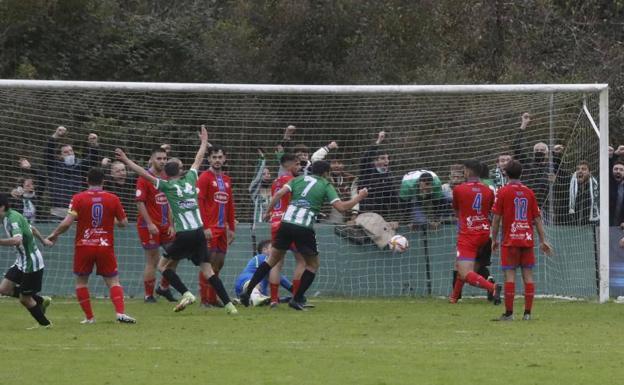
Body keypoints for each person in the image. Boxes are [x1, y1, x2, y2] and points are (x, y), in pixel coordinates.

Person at [115, 126, 238, 315]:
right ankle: (230, 305)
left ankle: (186, 293)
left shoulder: (166, 185)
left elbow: (143, 173)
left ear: (167, 173)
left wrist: (125, 160)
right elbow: (198, 159)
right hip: (198, 232)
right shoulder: (190, 178)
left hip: (184, 234)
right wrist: (204, 141)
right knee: (208, 270)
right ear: (180, 171)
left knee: (161, 265)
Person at [240, 160, 368, 310]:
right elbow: (341, 208)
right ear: (326, 173)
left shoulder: (297, 179)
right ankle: (297, 298)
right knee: (312, 265)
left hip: (285, 224)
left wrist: (269, 211)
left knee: (271, 261)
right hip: (303, 227)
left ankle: (247, 292)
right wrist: (359, 197)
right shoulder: (325, 185)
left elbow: (279, 193)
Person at [45, 168, 136, 324]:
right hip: (104, 245)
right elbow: (124, 223)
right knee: (113, 281)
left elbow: (67, 223)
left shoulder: (78, 198)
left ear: (87, 180)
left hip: (84, 245)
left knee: (81, 282)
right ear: (104, 181)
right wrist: (108, 221)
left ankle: (89, 318)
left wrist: (54, 234)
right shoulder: (113, 198)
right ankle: (120, 313)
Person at [491, 160, 554, 321]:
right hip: (526, 239)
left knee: (510, 276)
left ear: (506, 173)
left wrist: (494, 239)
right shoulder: (529, 192)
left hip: (510, 240)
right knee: (528, 276)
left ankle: (509, 314)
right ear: (522, 173)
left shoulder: (503, 192)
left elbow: (496, 219)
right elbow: (538, 219)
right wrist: (543, 239)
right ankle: (527, 314)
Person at [449, 160, 500, 305]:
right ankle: (454, 297)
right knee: (460, 266)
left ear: (469, 171)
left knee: (465, 273)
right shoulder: (488, 190)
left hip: (468, 234)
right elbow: (490, 211)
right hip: (484, 233)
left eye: (464, 170)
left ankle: (493, 288)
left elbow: (457, 211)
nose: (463, 172)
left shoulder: (459, 189)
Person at [0, 194, 52, 329]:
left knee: (25, 299)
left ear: (2, 207)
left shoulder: (12, 219)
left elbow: (17, 240)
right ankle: (40, 300)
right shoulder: (10, 215)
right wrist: (44, 241)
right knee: (4, 289)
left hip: (31, 263)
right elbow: (32, 228)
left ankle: (45, 325)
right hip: (21, 260)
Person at [197, 145, 237, 307]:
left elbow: (230, 205)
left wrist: (232, 228)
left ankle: (213, 298)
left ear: (225, 159)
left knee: (219, 263)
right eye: (214, 157)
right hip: (210, 228)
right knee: (208, 262)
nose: (217, 160)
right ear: (209, 159)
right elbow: (199, 202)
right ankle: (204, 299)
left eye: (220, 157)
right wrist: (204, 226)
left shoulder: (227, 179)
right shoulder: (204, 177)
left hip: (223, 228)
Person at [135, 147, 176, 303]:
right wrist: (150, 223)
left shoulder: (167, 177)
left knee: (175, 255)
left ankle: (164, 288)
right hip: (149, 226)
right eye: (159, 158)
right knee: (153, 259)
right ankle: (148, 295)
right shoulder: (145, 177)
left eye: (165, 158)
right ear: (152, 159)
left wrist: (172, 224)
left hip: (166, 226)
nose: (162, 161)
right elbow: (140, 202)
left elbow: (171, 202)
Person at [266, 153, 306, 307]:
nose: (299, 167)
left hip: (276, 222)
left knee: (276, 262)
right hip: (291, 223)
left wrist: (268, 213)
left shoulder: (275, 182)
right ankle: (296, 298)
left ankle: (274, 299)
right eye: (296, 164)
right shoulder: (293, 181)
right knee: (302, 260)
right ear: (288, 165)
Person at [44, 127, 104, 218]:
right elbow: (48, 152)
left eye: (71, 151)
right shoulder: (53, 166)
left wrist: (94, 144)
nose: (70, 153)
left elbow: (93, 158)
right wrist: (56, 135)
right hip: (57, 214)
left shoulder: (79, 165)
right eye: (66, 152)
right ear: (60, 156)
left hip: (77, 211)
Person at [234, 240, 293, 306]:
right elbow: (281, 279)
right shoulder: (262, 257)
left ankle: (243, 300)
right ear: (265, 250)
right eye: (273, 248)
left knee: (263, 296)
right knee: (257, 286)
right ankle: (255, 296)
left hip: (241, 289)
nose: (276, 250)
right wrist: (295, 291)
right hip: (246, 280)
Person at [359, 131, 398, 219]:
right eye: (383, 158)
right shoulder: (367, 171)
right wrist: (378, 141)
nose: (386, 161)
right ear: (375, 161)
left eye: (388, 158)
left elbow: (394, 199)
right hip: (366, 214)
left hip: (382, 216)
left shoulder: (389, 176)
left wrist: (395, 219)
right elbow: (365, 159)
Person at [568, 160, 599, 226]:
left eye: (584, 169)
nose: (580, 171)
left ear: (590, 172)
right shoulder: (570, 185)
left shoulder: (596, 187)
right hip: (572, 226)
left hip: (591, 226)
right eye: (578, 169)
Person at [249, 149, 272, 224]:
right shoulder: (255, 192)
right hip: (258, 226)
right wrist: (262, 160)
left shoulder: (274, 191)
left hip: (271, 225)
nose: (266, 175)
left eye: (268, 173)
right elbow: (257, 177)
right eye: (263, 174)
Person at [609, 159, 624, 227]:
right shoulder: (606, 185)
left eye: (621, 170)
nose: (618, 171)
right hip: (606, 226)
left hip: (621, 227)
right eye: (616, 169)